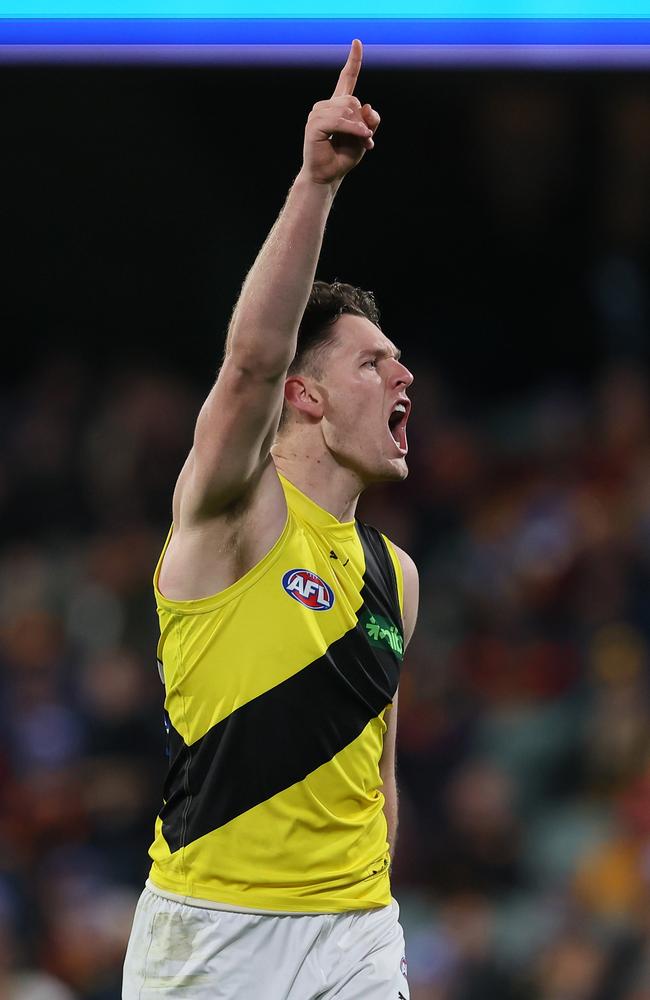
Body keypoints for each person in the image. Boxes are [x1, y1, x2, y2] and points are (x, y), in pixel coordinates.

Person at [122, 38, 418, 1000]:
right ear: (305, 397)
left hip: (357, 932)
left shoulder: (397, 575)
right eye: (372, 363)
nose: (402, 376)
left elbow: (378, 772)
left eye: (400, 362)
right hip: (211, 935)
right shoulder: (231, 512)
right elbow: (247, 364)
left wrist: (369, 902)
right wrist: (316, 184)